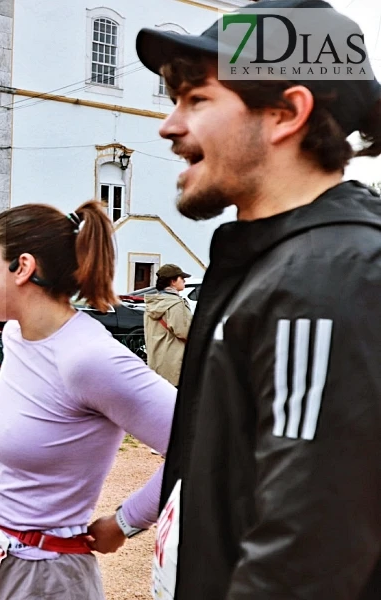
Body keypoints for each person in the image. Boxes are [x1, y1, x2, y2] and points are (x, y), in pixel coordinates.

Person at [136, 1, 381, 597]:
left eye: (197, 99)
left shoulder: (327, 277)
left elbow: (305, 557)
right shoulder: (265, 261)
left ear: (286, 114)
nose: (170, 126)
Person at [0, 201, 175, 600]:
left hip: (40, 578)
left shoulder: (89, 359)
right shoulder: (16, 335)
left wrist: (124, 522)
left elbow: (199, 444)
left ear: (21, 267)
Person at [143, 263, 193, 386]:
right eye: (181, 278)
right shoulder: (175, 304)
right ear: (173, 281)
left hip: (157, 362)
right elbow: (184, 332)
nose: (184, 280)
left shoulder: (152, 304)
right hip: (175, 363)